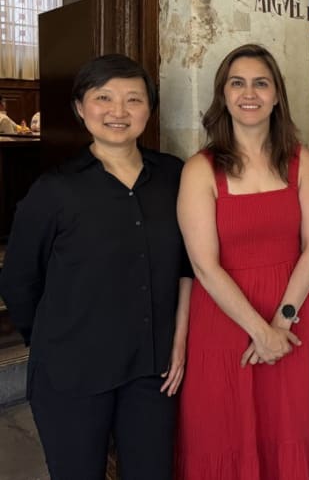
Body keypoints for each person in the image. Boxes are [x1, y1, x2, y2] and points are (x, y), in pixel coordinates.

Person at [0, 55, 192, 480]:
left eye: (133, 99)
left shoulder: (174, 176)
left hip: (153, 372)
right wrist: (56, 343)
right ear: (79, 107)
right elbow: (18, 281)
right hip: (72, 374)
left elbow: (186, 266)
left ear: (149, 108)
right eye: (103, 97)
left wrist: (178, 343)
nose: (118, 112)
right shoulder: (54, 190)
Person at [176, 43, 309, 479]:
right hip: (223, 321)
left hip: (291, 322)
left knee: (285, 428)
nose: (249, 93)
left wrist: (279, 326)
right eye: (237, 83)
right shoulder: (200, 170)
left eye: (261, 83)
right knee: (220, 433)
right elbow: (204, 266)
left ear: (277, 94)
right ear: (223, 94)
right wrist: (259, 331)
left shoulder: (301, 162)